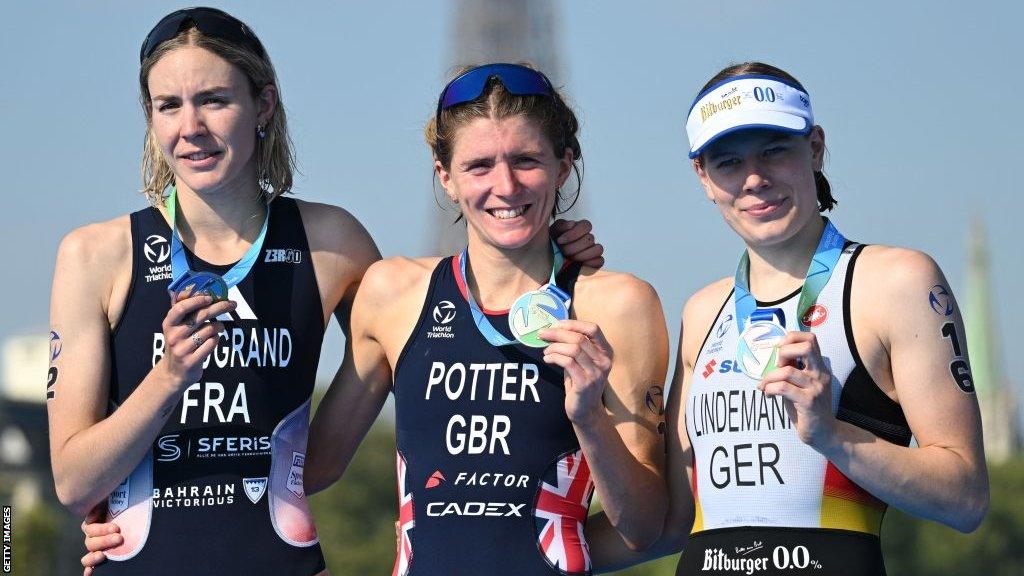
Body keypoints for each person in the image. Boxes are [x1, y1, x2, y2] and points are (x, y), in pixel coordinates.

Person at [55, 9, 602, 575]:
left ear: (264, 105)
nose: (190, 126)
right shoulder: (95, 255)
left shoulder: (331, 241)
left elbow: (453, 324)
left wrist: (540, 249)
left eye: (215, 100)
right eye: (169, 105)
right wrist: (168, 377)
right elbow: (73, 482)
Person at [591, 62, 990, 575]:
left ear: (816, 147)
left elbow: (966, 499)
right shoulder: (702, 309)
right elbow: (669, 525)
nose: (755, 179)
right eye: (729, 162)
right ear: (703, 177)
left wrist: (830, 434)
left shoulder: (897, 281)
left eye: (775, 150)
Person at [303, 63, 669, 575]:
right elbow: (309, 467)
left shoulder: (618, 305)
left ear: (564, 167)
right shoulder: (393, 294)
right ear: (445, 177)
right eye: (479, 166)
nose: (506, 185)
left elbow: (645, 526)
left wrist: (588, 416)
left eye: (526, 160)